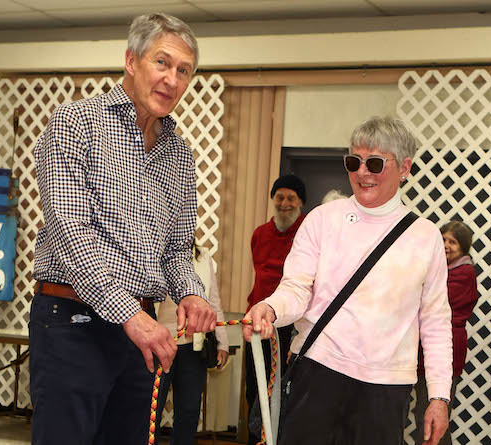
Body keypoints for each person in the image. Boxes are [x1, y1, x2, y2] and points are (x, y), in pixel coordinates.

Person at [29, 13, 216, 445]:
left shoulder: (180, 155)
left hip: (140, 335)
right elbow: (71, 232)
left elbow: (175, 250)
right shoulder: (74, 124)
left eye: (183, 71)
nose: (172, 79)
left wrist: (189, 291)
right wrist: (130, 315)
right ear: (131, 61)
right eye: (162, 63)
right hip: (72, 324)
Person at [244, 115, 453, 445]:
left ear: (405, 167)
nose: (362, 173)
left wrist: (439, 396)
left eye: (374, 163)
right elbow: (296, 287)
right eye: (354, 162)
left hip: (387, 387)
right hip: (318, 371)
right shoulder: (323, 220)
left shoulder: (425, 236)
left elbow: (436, 322)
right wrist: (271, 308)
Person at [245, 174, 306, 445]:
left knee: (284, 391)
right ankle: (254, 438)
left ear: (300, 203)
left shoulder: (307, 234)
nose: (284, 203)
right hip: (257, 322)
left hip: (289, 325)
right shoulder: (260, 234)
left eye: (291, 198)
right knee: (254, 387)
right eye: (279, 197)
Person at [410, 220, 478, 445]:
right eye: (443, 239)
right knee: (423, 416)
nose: (446, 245)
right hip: (420, 352)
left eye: (453, 242)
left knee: (431, 419)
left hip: (443, 352)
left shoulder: (464, 273)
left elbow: (432, 305)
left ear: (464, 247)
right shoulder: (437, 269)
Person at [154, 244, 229, 445]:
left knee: (189, 410)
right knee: (151, 409)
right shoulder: (151, 251)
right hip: (157, 344)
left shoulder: (203, 257)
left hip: (193, 346)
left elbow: (213, 302)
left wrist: (222, 343)